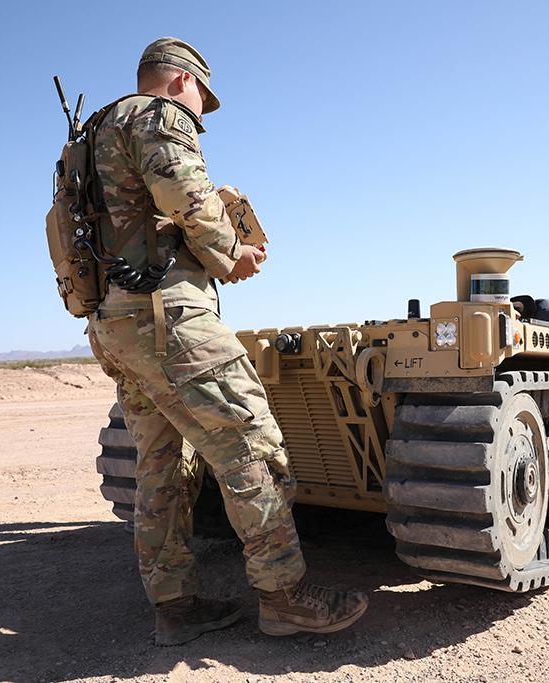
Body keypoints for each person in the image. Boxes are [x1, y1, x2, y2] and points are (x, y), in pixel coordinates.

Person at [86, 37, 368, 646]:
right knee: (251, 447)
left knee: (161, 466)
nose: (199, 115)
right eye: (201, 101)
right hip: (169, 318)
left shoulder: (87, 138)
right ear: (183, 80)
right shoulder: (157, 115)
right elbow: (183, 192)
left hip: (112, 323)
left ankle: (175, 607)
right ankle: (284, 597)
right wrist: (228, 252)